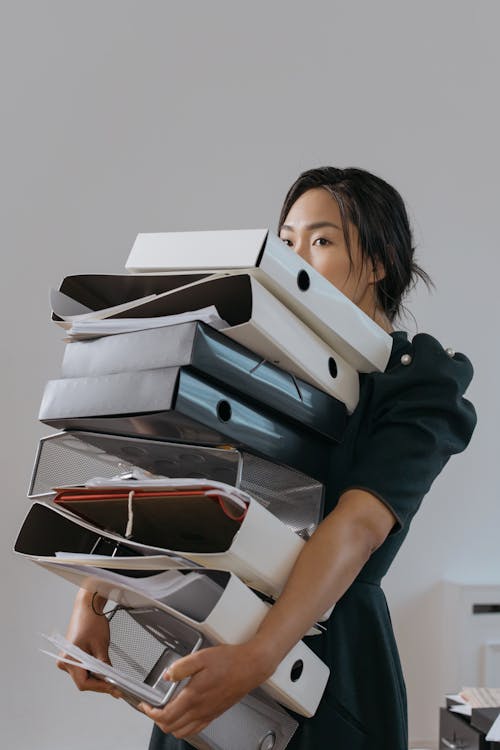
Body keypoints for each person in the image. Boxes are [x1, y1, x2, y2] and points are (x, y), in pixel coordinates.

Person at [58, 167, 477, 750]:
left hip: (326, 658)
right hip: (213, 639)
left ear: (380, 262)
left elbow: (356, 526)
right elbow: (167, 479)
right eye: (286, 243)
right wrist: (94, 596)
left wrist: (257, 657)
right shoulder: (257, 357)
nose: (297, 261)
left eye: (322, 241)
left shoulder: (417, 383)